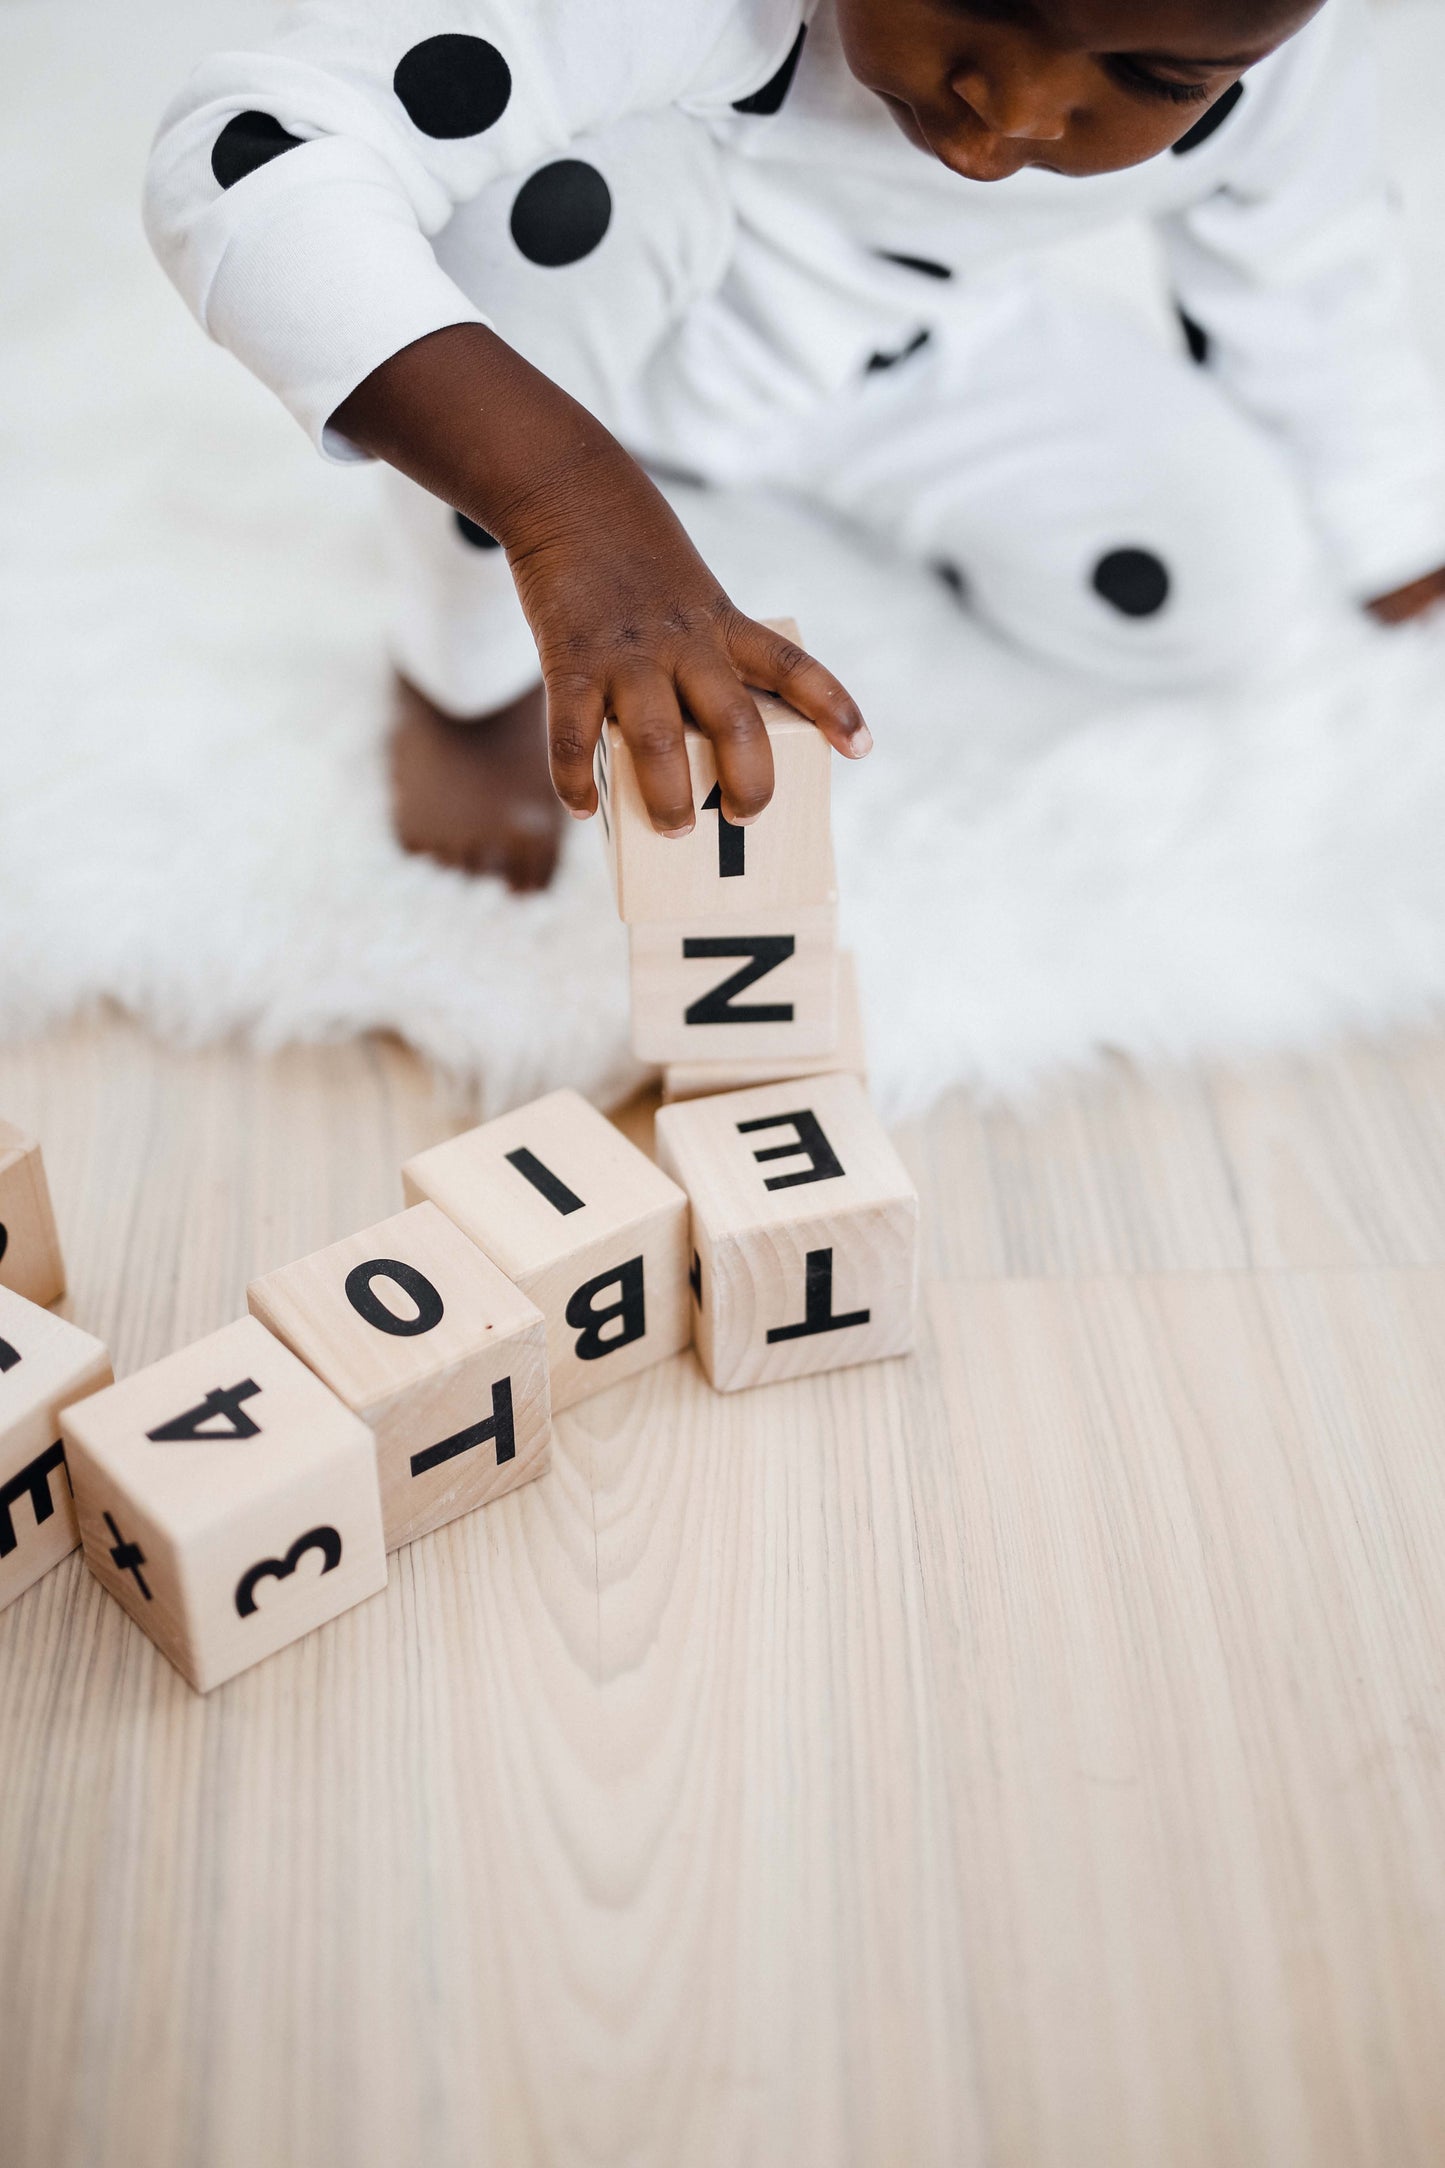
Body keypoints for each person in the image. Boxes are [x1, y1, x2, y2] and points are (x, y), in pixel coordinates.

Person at [145, 0, 1445, 891]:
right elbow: (248, 153)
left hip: (905, 348)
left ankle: (758, 490)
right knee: (539, 219)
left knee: (1213, 583)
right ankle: (465, 668)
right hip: (593, 344)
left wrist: (1387, 511)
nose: (1018, 107)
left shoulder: (1289, 77)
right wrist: (565, 506)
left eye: (1153, 79)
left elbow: (1310, 278)